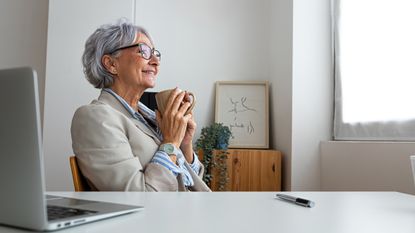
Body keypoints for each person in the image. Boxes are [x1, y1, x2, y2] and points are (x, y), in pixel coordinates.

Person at [71, 19, 210, 192]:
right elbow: (138, 196)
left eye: (155, 54)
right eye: (144, 51)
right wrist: (171, 143)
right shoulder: (94, 118)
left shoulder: (150, 117)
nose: (155, 62)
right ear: (111, 64)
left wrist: (184, 144)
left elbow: (187, 184)